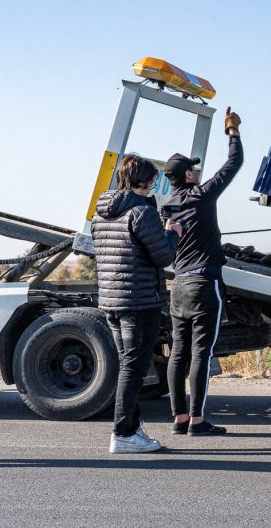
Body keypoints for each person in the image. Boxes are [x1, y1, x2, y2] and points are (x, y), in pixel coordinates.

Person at [92, 154, 181, 454]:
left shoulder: (101, 213)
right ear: (146, 180)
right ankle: (124, 433)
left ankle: (132, 427)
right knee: (134, 368)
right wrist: (172, 234)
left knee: (127, 364)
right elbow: (163, 256)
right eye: (153, 180)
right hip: (139, 302)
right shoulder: (141, 212)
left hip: (112, 302)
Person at [163, 106, 243, 436]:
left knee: (177, 353)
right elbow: (233, 164)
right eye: (193, 169)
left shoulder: (166, 207)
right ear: (188, 175)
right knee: (201, 353)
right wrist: (233, 132)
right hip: (203, 284)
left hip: (178, 286)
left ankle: (179, 419)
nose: (198, 172)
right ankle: (197, 420)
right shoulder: (202, 195)